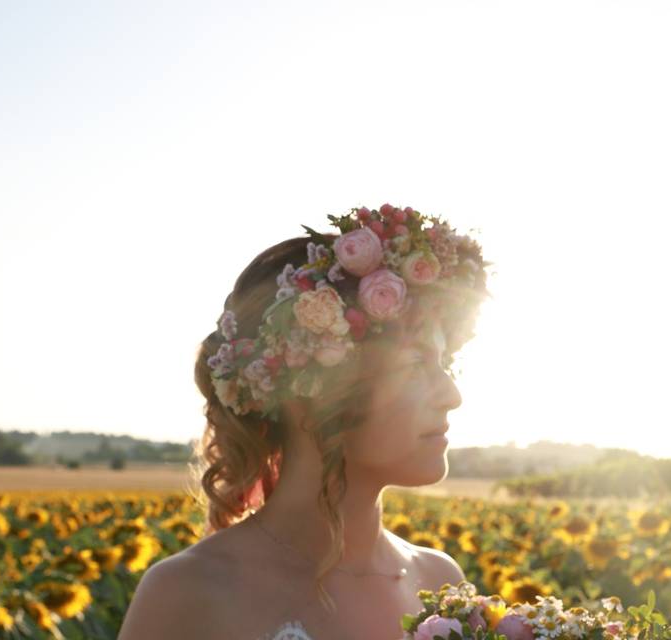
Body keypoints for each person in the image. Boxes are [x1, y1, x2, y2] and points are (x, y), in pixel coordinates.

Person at [118, 204, 490, 639]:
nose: (451, 396)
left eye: (444, 363)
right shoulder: (190, 591)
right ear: (313, 388)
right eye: (414, 365)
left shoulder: (438, 580)